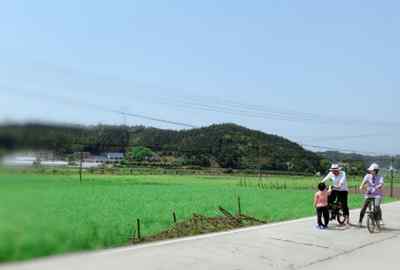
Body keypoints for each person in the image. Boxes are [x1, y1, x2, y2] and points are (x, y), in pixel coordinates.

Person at [358, 163, 384, 227]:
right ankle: (360, 221)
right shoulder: (367, 176)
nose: (370, 171)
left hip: (377, 194)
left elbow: (381, 183)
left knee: (377, 207)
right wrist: (361, 186)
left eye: (372, 170)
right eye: (370, 170)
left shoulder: (380, 177)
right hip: (369, 194)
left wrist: (377, 187)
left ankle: (380, 219)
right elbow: (363, 182)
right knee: (364, 207)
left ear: (376, 170)